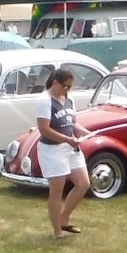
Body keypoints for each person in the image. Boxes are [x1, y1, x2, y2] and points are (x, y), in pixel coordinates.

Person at [34, 68, 91, 239]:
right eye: (65, 86)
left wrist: (86, 133)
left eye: (70, 87)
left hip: (70, 147)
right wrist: (67, 139)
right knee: (57, 190)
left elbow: (72, 123)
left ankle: (64, 219)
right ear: (55, 83)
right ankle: (57, 231)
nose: (67, 90)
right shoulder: (44, 100)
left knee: (83, 184)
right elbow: (44, 129)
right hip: (52, 149)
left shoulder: (68, 99)